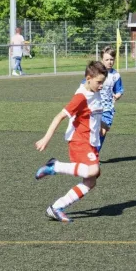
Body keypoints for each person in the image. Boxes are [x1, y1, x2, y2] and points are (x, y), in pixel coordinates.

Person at [34, 61, 108, 223]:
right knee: (92, 170)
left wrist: (103, 126)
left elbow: (91, 114)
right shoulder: (80, 97)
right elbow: (59, 117)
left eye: (103, 82)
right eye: (99, 82)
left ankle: (56, 207)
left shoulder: (94, 90)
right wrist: (46, 138)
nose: (101, 86)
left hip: (92, 141)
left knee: (91, 182)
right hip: (79, 139)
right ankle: (55, 166)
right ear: (88, 78)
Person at [82, 46, 124, 152]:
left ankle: (94, 154)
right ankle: (90, 154)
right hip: (95, 106)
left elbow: (119, 89)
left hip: (108, 108)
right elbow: (85, 84)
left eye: (111, 59)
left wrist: (118, 95)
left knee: (103, 131)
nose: (109, 62)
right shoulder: (96, 73)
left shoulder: (116, 75)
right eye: (107, 59)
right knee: (94, 130)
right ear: (102, 60)